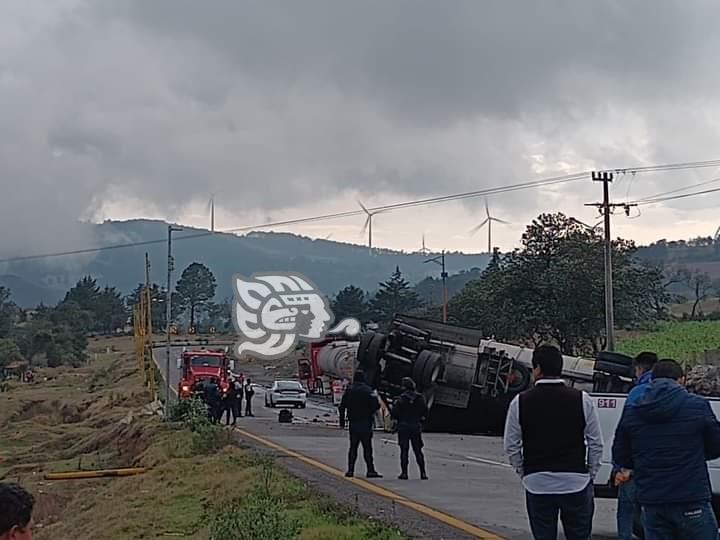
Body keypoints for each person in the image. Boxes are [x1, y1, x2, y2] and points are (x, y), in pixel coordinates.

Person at [503, 345, 603, 540]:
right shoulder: (582, 399)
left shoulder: (520, 401)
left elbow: (511, 445)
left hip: (537, 483)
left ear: (538, 368)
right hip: (575, 481)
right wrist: (590, 473)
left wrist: (524, 472)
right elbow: (596, 443)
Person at [613, 359, 720, 538]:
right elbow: (716, 445)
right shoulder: (698, 406)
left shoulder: (634, 410)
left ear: (651, 379)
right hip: (690, 496)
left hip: (652, 499)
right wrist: (697, 455)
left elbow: (621, 455)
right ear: (682, 380)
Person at [614, 351, 658, 540]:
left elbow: (624, 431)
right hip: (657, 465)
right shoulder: (676, 394)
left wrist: (619, 466)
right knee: (651, 512)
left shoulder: (636, 393)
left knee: (626, 508)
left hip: (634, 462)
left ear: (638, 369)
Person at [338, 371, 382, 478]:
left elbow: (342, 406)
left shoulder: (349, 390)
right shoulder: (368, 390)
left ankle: (350, 470)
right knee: (367, 448)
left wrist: (342, 421)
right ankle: (370, 470)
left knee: (353, 448)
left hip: (353, 423)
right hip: (366, 422)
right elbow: (376, 406)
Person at [390, 377, 428, 480]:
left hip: (404, 426)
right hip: (415, 426)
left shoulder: (401, 399)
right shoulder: (420, 398)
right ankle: (423, 472)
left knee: (404, 450)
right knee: (418, 450)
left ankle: (404, 473)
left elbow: (394, 413)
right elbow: (425, 411)